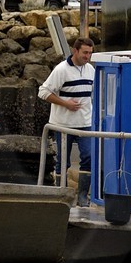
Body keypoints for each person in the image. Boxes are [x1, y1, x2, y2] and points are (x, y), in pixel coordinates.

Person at [39, 36, 95, 206]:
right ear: (75, 51)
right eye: (85, 53)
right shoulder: (61, 70)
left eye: (90, 53)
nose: (87, 57)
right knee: (63, 161)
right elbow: (43, 92)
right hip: (63, 124)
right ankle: (61, 197)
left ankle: (83, 197)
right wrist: (65, 103)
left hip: (85, 123)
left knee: (89, 157)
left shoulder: (90, 70)